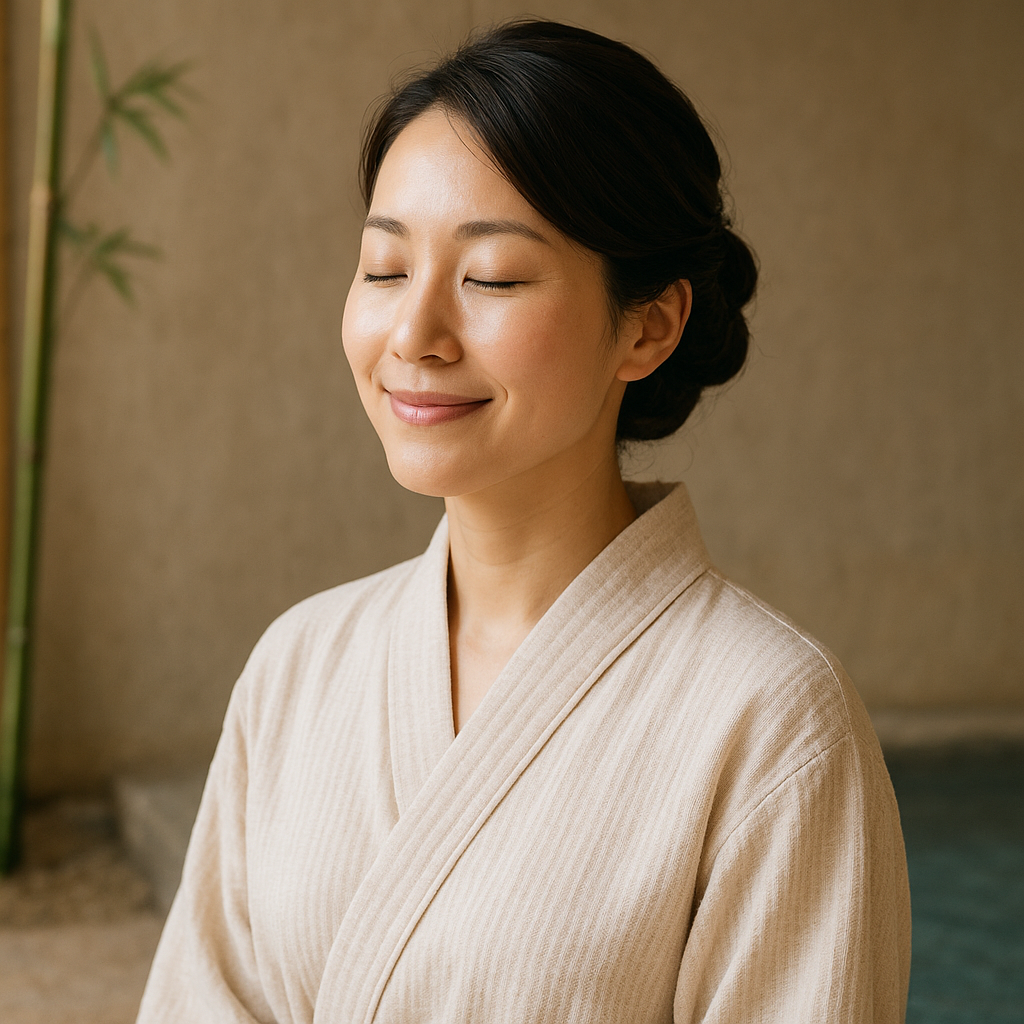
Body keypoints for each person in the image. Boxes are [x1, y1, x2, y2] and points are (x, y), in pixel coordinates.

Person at [137, 19, 910, 1024]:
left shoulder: (771, 722)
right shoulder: (300, 663)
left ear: (648, 324)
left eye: (491, 277)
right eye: (383, 268)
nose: (414, 334)